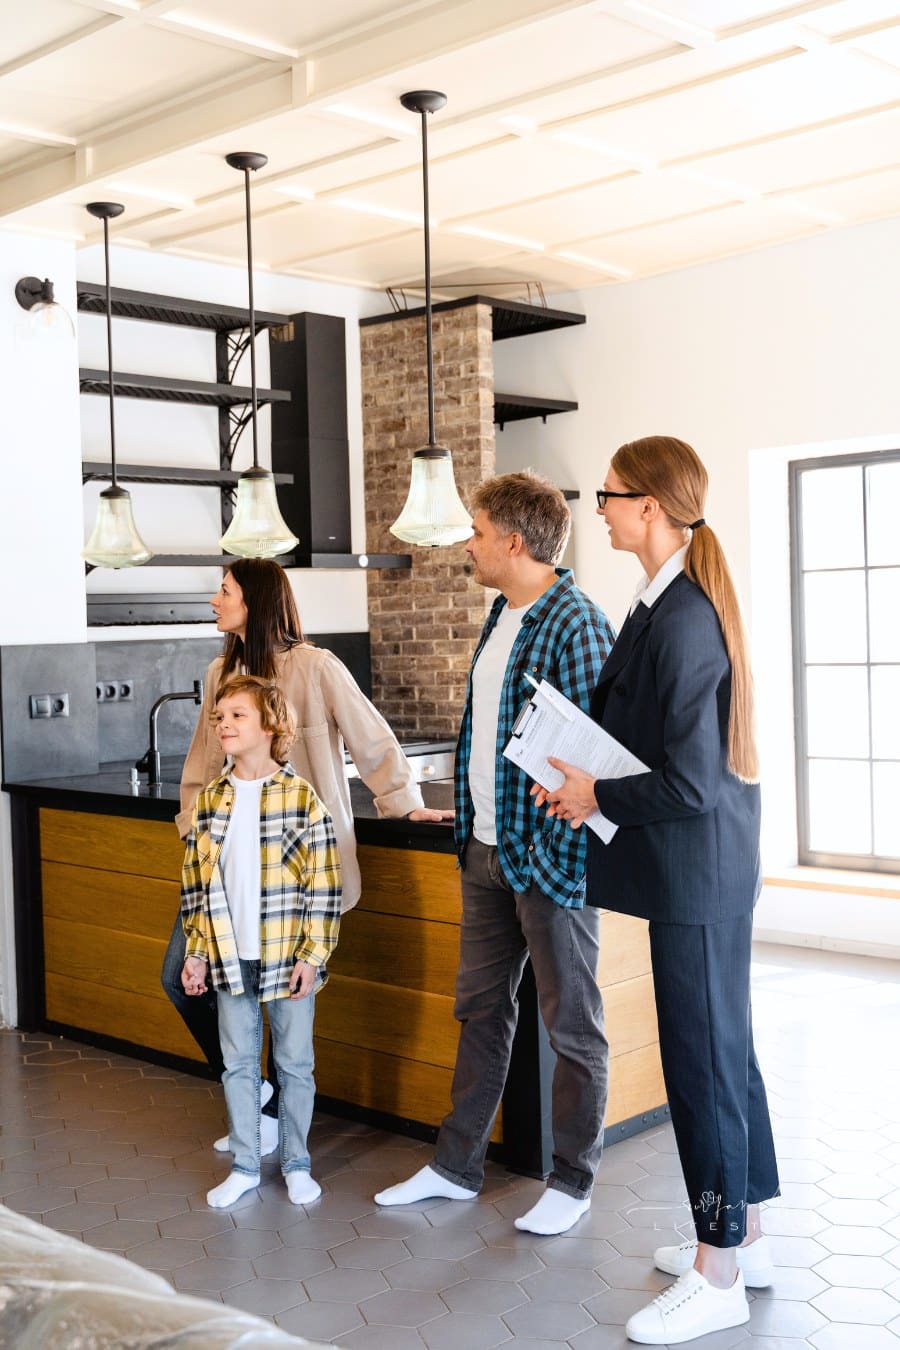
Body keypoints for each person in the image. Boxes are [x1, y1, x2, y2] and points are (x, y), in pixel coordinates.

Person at [534, 436, 779, 1345]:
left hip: (697, 875)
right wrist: (579, 773)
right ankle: (746, 1234)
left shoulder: (679, 617)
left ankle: (718, 1269)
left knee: (702, 1063)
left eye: (607, 495)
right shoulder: (665, 601)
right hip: (701, 870)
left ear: (649, 507)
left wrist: (592, 791)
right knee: (727, 1052)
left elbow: (687, 783)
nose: (596, 509)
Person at [374, 471, 614, 1236]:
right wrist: (470, 814)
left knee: (572, 1024)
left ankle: (573, 1182)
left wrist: (542, 842)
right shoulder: (501, 615)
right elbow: (492, 734)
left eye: (477, 534)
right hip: (482, 848)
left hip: (546, 858)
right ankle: (455, 1166)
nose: (468, 546)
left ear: (513, 540)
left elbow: (587, 759)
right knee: (480, 1010)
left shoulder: (575, 621)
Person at [164, 558, 451, 1153]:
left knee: (284, 1004)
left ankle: (276, 1127)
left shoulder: (317, 667)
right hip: (225, 873)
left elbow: (373, 740)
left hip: (296, 875)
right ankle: (259, 1097)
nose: (214, 600)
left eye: (224, 590)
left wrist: (403, 804)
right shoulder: (221, 672)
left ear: (257, 600)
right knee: (181, 978)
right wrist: (195, 828)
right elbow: (198, 767)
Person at [181, 675, 341, 1209]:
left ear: (271, 725)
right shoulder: (210, 802)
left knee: (294, 1065)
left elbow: (323, 887)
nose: (224, 723)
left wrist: (312, 957)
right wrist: (197, 952)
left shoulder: (301, 800)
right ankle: (247, 1165)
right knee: (238, 1064)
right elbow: (197, 888)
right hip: (229, 957)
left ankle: (297, 1163)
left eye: (237, 715)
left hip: (286, 959)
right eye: (219, 716)